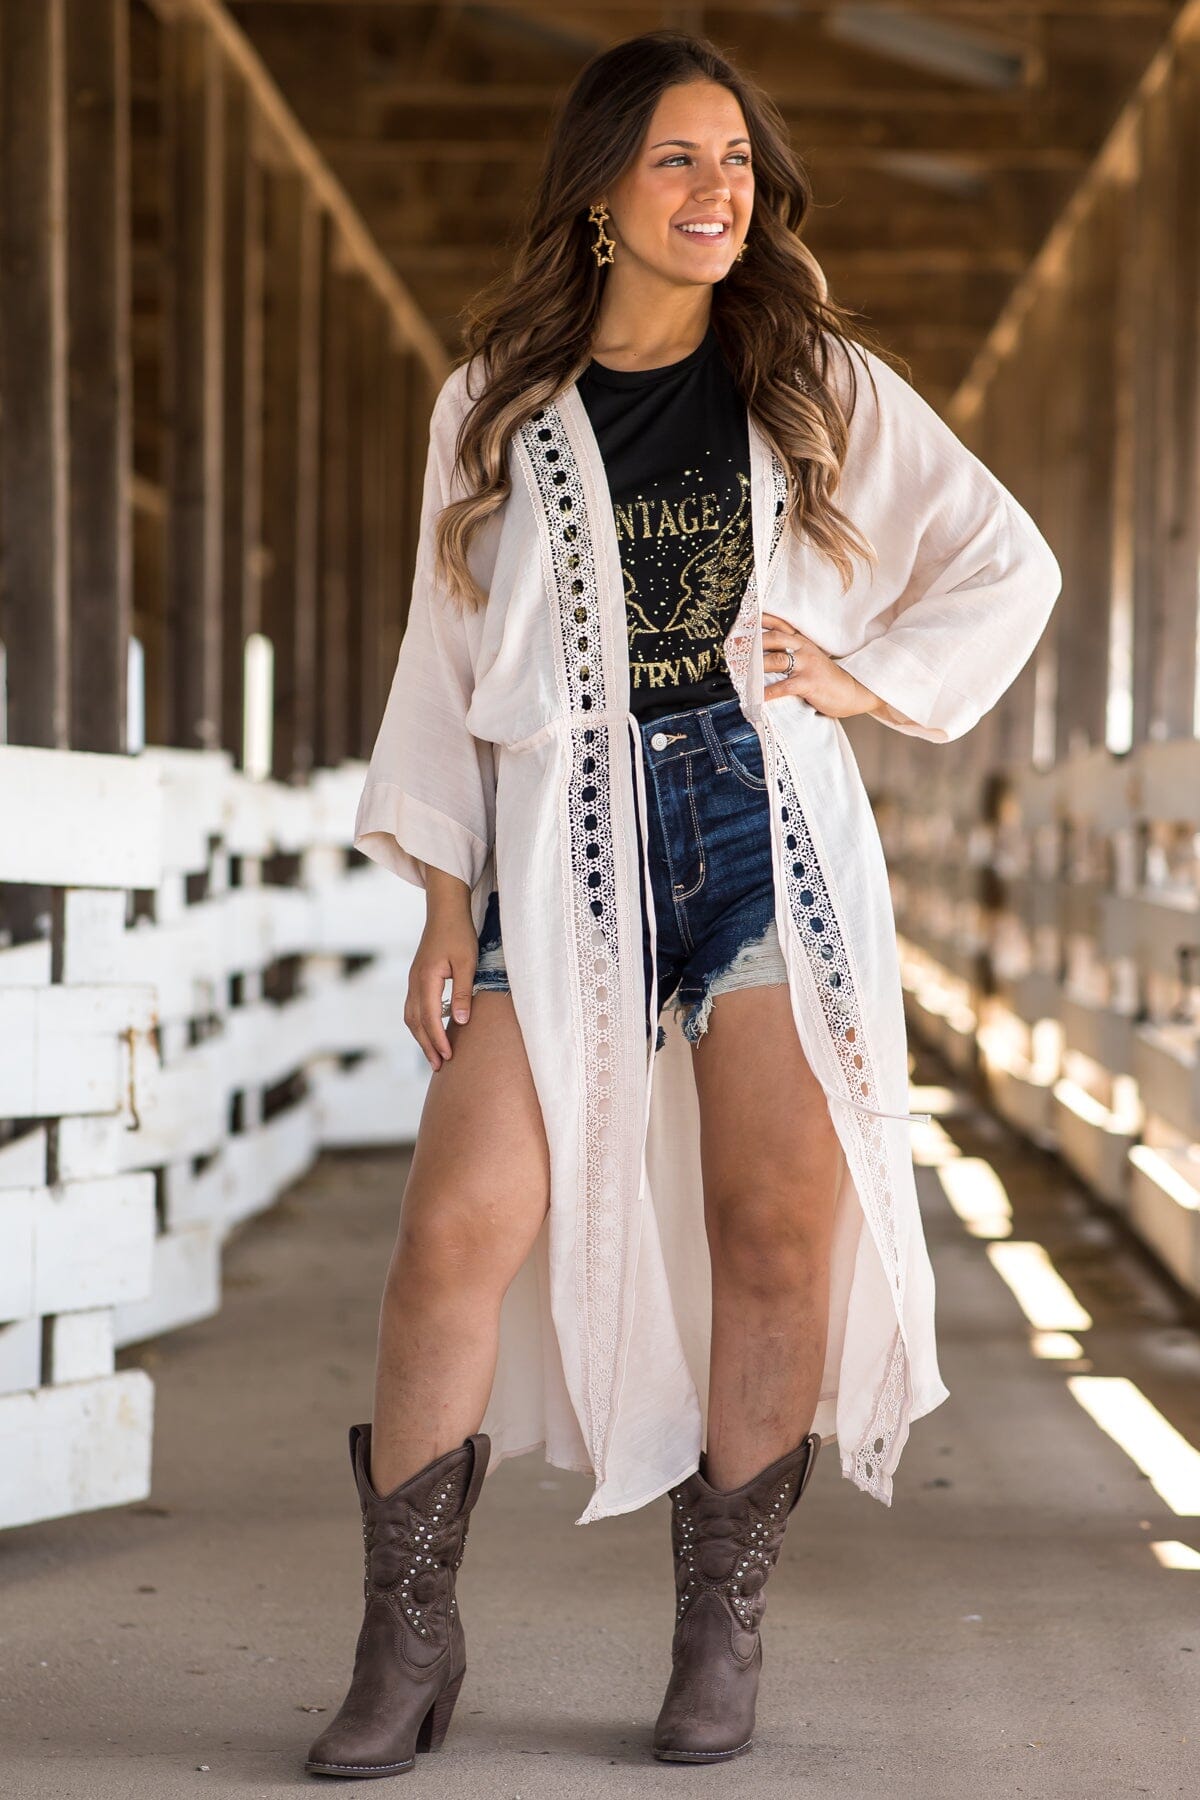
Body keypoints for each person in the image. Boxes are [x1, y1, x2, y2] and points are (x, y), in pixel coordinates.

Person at [304, 26, 1062, 1780]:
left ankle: (720, 1628)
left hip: (756, 831)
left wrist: (864, 683)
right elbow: (438, 668)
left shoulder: (811, 378)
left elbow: (1001, 556)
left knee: (773, 1232)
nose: (721, 192)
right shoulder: (492, 401)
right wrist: (440, 905)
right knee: (454, 1231)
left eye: (737, 165)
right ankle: (405, 1632)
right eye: (679, 162)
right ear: (598, 194)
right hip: (553, 848)